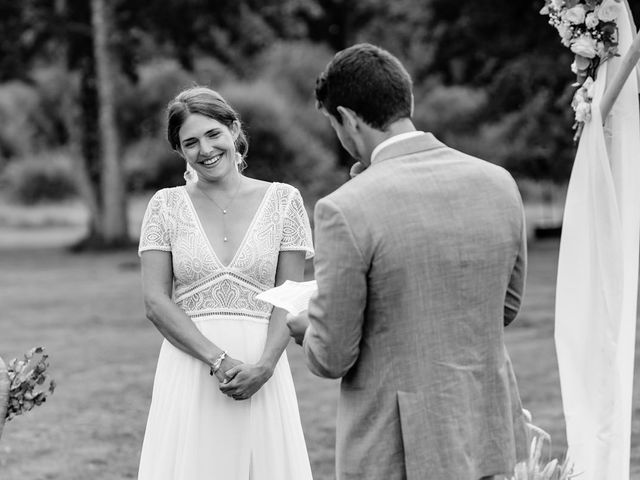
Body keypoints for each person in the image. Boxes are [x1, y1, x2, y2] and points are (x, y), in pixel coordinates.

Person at [287, 43, 529, 480]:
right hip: (487, 431)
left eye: (334, 126)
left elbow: (333, 356)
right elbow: (506, 307)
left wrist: (306, 328)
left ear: (348, 118)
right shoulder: (498, 182)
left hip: (398, 448)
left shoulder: (345, 208)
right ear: (407, 101)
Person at [137, 86, 314, 480]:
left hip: (263, 368)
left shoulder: (285, 201)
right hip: (192, 369)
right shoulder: (165, 207)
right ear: (180, 152)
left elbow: (290, 298)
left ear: (234, 130)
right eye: (190, 143)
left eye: (213, 134)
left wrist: (265, 367)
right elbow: (155, 301)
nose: (205, 149)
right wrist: (217, 359)